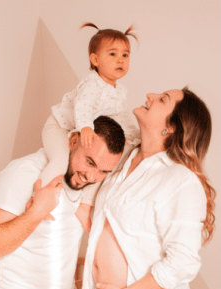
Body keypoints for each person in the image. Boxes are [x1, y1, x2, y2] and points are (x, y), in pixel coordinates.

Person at [81, 87, 215, 289]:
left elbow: (183, 262)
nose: (150, 95)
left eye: (162, 99)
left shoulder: (179, 178)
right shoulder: (124, 160)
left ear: (171, 127)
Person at [0, 116, 125, 289]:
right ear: (73, 140)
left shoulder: (88, 188)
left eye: (103, 171)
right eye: (89, 162)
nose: (92, 176)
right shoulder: (23, 172)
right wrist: (37, 211)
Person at [35, 23, 141, 218]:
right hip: (59, 126)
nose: (120, 60)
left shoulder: (120, 92)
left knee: (102, 167)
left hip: (77, 131)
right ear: (95, 59)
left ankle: (84, 206)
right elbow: (83, 105)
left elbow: (120, 117)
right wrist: (85, 126)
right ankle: (37, 201)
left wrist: (132, 136)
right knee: (60, 161)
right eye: (112, 54)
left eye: (125, 55)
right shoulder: (92, 83)